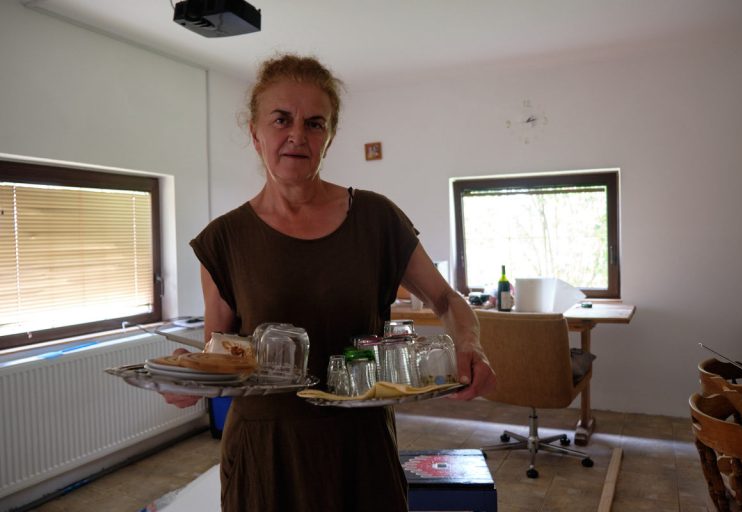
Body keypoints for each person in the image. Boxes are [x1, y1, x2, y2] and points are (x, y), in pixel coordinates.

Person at [166, 53, 496, 511]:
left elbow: (444, 297)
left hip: (360, 445)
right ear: (255, 133)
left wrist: (470, 343)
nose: (297, 135)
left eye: (314, 123)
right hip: (266, 452)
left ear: (330, 136)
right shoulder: (224, 239)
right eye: (281, 119)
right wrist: (187, 378)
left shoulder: (376, 219)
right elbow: (219, 351)